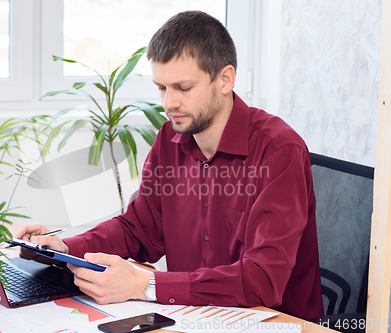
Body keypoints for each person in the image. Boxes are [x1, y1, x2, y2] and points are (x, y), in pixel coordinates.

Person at [16, 10, 324, 320]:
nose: (168, 103)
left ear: (225, 79)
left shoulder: (279, 152)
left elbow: (262, 280)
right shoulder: (169, 139)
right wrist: (64, 248)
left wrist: (147, 285)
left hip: (272, 323)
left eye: (183, 88)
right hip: (195, 317)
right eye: (162, 88)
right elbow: (138, 230)